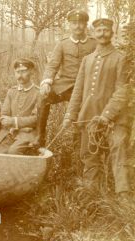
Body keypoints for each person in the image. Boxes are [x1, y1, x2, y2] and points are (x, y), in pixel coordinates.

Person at [63, 18, 131, 199]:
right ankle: (91, 194)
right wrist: (70, 115)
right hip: (89, 118)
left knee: (118, 150)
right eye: (98, 31)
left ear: (112, 33)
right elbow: (78, 91)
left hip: (115, 120)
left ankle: (123, 196)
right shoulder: (87, 59)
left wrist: (107, 115)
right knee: (88, 155)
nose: (102, 34)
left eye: (106, 30)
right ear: (93, 33)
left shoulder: (120, 58)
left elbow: (122, 91)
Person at [35, 9, 97, 147]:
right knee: (43, 97)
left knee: (83, 109)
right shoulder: (62, 44)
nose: (77, 26)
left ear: (85, 24)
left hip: (85, 86)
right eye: (74, 23)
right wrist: (46, 82)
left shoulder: (94, 44)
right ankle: (40, 137)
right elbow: (52, 66)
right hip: (65, 85)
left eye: (81, 23)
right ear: (69, 25)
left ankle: (79, 142)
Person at [0, 58, 40, 155]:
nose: (20, 75)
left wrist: (13, 121)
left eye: (23, 71)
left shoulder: (38, 93)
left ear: (31, 72)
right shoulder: (11, 91)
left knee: (13, 152)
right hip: (9, 132)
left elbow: (36, 119)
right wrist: (7, 122)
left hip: (28, 134)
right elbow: (4, 114)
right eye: (17, 72)